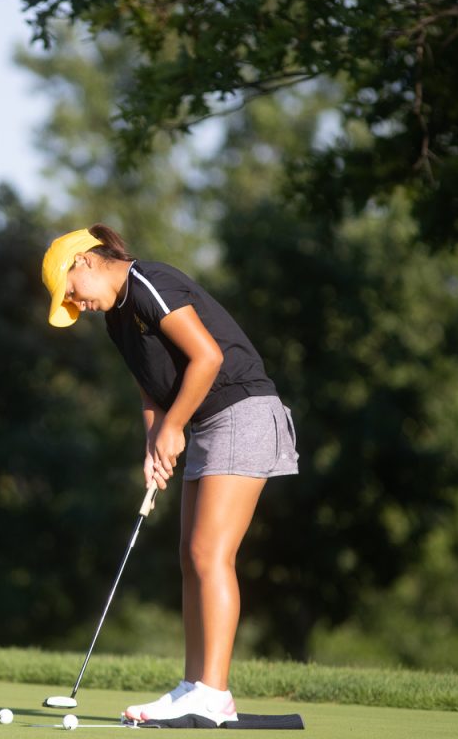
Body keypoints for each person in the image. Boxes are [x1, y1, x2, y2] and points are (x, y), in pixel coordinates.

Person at [41, 225, 299, 727]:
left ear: (86, 262)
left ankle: (215, 694)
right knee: (189, 557)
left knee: (210, 554)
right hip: (203, 423)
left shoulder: (146, 282)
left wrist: (174, 426)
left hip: (242, 412)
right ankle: (192, 687)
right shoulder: (116, 320)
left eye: (71, 292)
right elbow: (148, 391)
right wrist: (153, 443)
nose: (75, 303)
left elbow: (209, 356)